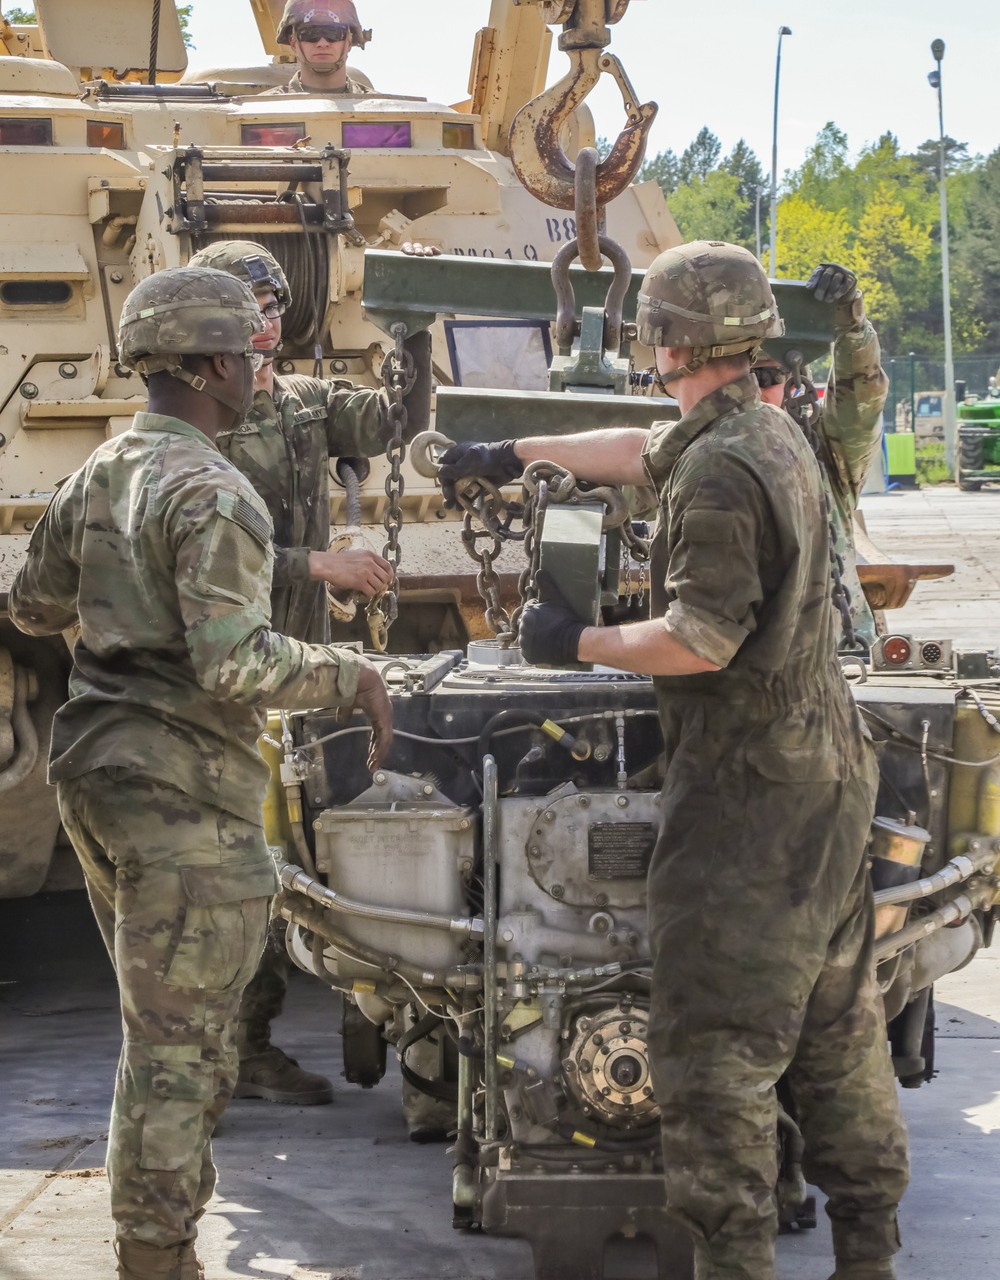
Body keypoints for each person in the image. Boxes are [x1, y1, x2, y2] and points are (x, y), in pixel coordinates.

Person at [436, 240, 909, 1280]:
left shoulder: (718, 477)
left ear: (661, 340)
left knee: (712, 1061)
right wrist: (504, 454)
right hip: (826, 774)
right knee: (835, 1025)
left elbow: (700, 641)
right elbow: (636, 447)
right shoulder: (766, 430)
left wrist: (578, 643)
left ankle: (734, 1264)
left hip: (750, 803)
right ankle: (867, 1250)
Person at [8, 266, 394, 1280]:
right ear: (220, 365)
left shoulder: (102, 471)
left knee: (163, 1030)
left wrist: (123, 610)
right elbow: (237, 665)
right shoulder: (217, 492)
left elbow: (33, 607)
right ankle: (154, 1257)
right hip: (185, 794)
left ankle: (160, 1248)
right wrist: (349, 674)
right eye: (255, 356)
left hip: (96, 772)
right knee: (180, 1054)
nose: (264, 372)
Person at [188, 239, 431, 1105]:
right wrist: (314, 567)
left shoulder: (302, 404)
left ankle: (364, 1012)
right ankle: (239, 1051)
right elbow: (206, 559)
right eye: (246, 303)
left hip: (296, 677)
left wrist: (414, 333)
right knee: (243, 873)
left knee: (314, 853)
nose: (263, 318)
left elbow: (394, 421)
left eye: (271, 302)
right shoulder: (198, 422)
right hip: (227, 675)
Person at [754, 261, 888, 652]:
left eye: (766, 378)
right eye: (739, 377)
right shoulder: (682, 454)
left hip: (836, 656)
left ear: (791, 381)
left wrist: (849, 319)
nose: (754, 391)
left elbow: (862, 396)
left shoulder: (827, 458)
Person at [274, 0, 374, 95]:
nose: (323, 43)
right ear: (293, 43)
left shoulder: (379, 107)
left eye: (333, 33)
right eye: (310, 34)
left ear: (349, 42)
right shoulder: (265, 107)